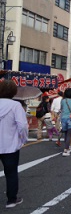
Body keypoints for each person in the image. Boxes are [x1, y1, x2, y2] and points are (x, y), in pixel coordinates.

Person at [0, 80, 28, 209]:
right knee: (11, 173)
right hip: (10, 145)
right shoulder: (16, 105)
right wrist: (22, 139)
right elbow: (22, 125)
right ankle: (11, 200)